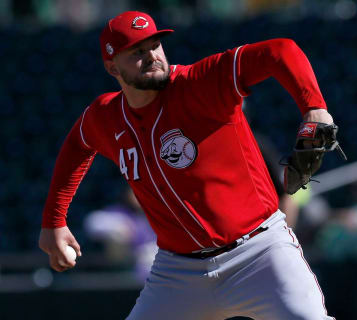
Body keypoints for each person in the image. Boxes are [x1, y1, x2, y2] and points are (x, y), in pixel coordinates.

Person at [39, 10, 337, 320]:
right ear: (112, 66)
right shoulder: (106, 116)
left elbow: (281, 50)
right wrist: (54, 221)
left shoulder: (201, 82)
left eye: (155, 45)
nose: (152, 56)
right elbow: (78, 144)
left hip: (259, 253)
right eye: (137, 52)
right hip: (178, 272)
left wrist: (314, 107)